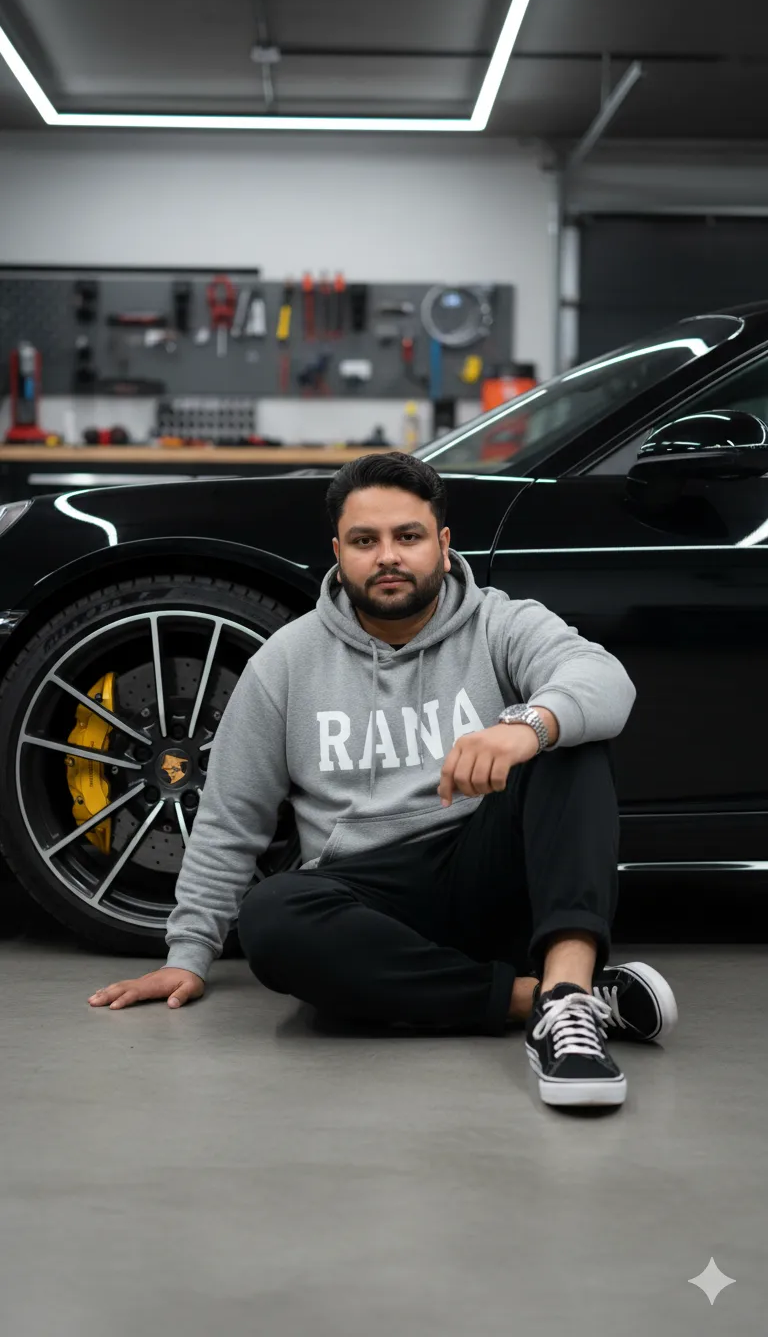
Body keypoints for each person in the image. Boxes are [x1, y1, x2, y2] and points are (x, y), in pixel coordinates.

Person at [89, 452, 677, 1110]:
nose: (388, 556)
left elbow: (606, 682)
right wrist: (187, 955)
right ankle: (546, 1001)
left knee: (572, 742)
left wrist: (524, 726)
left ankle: (566, 1002)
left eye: (408, 536)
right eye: (365, 541)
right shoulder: (285, 662)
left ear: (443, 544)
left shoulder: (501, 622)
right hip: (369, 897)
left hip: (489, 870)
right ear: (338, 551)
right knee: (271, 918)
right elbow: (231, 820)